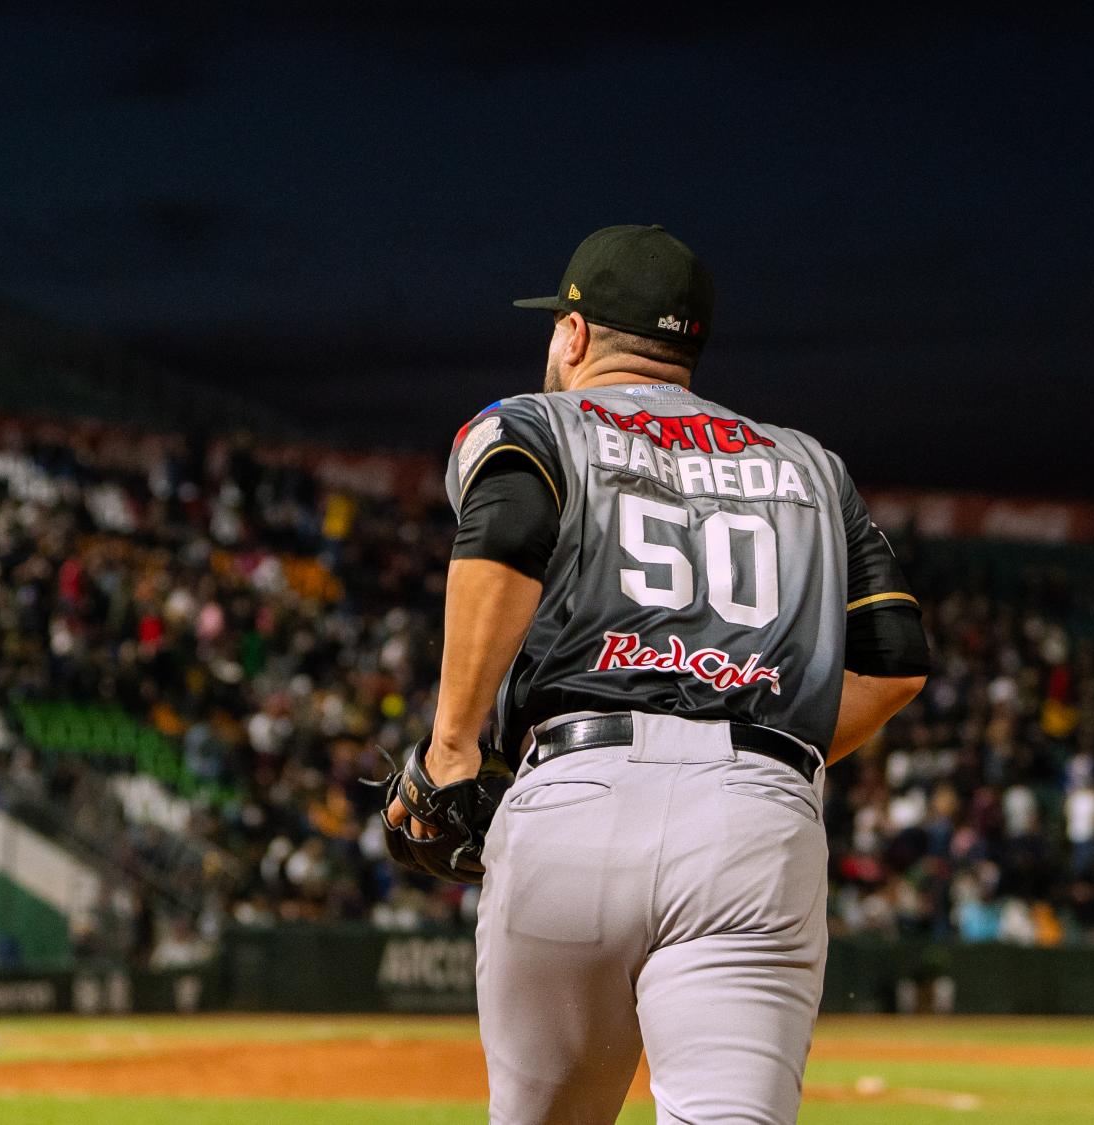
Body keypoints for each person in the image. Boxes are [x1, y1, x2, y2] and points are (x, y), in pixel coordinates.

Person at [387, 225, 928, 1123]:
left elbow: (507, 524)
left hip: (574, 788)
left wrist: (451, 746)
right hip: (757, 811)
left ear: (575, 333)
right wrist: (758, 740)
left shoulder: (534, 419)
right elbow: (897, 662)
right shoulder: (809, 465)